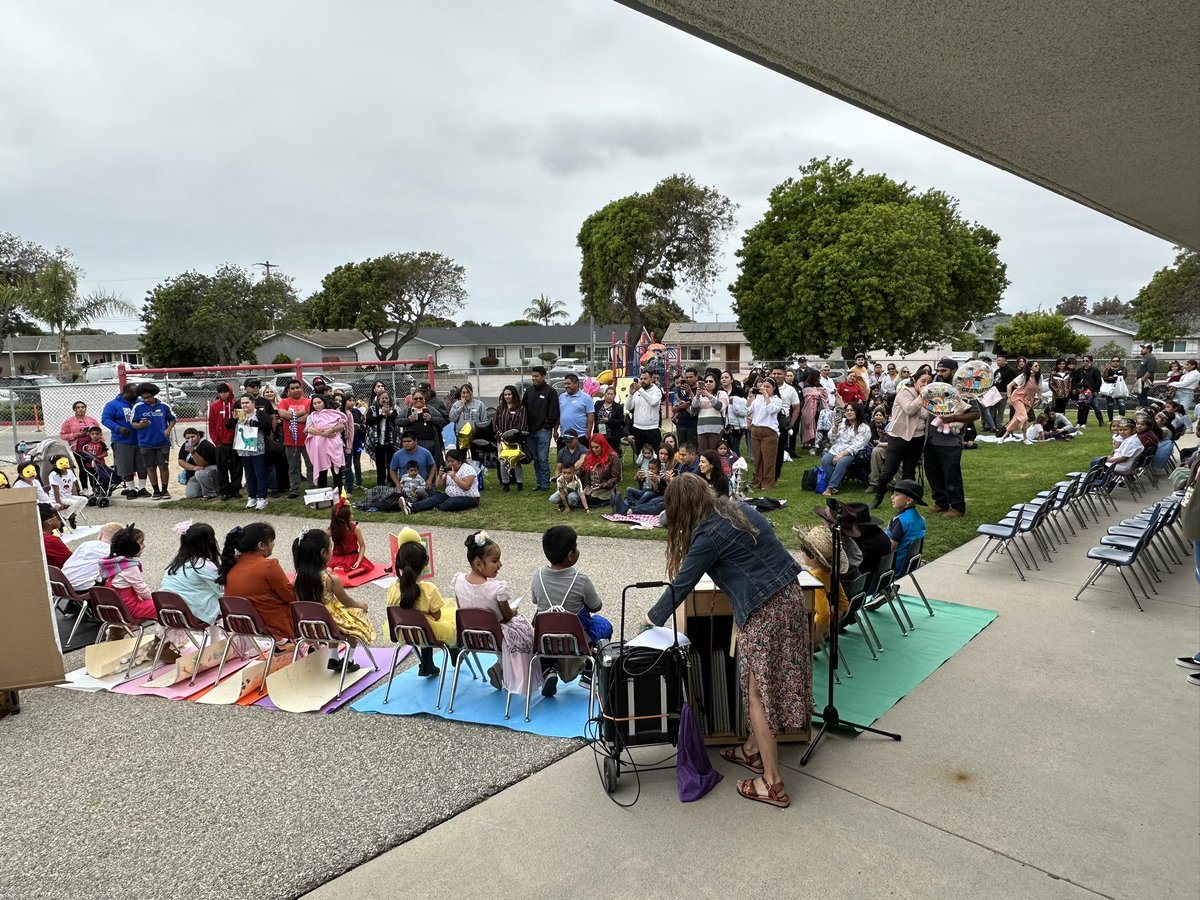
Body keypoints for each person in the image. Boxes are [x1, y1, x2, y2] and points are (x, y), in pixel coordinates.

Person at [644, 473, 806, 809]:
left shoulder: (708, 536)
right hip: (791, 598)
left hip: (765, 611)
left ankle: (772, 783)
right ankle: (752, 751)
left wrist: (652, 619)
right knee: (767, 685)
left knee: (757, 696)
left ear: (682, 508)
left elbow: (682, 583)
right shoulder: (739, 509)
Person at [451, 531, 537, 693]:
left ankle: (499, 667)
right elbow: (507, 616)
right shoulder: (497, 588)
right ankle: (511, 673)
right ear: (478, 564)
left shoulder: (458, 580)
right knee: (526, 632)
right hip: (495, 639)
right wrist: (514, 610)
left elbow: (462, 610)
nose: (500, 564)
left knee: (506, 630)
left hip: (470, 637)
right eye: (495, 561)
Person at [530, 525, 612, 694]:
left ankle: (549, 669)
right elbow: (596, 606)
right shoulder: (581, 580)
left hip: (546, 640)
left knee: (544, 621)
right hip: (576, 640)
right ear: (570, 555)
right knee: (604, 625)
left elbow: (535, 600)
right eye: (576, 547)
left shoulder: (537, 576)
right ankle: (589, 671)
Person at [293, 529, 375, 671]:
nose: (332, 550)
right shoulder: (331, 579)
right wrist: (361, 605)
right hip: (330, 625)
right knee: (356, 621)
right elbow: (347, 601)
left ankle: (333, 658)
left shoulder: (298, 580)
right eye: (331, 547)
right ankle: (348, 660)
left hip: (311, 626)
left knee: (336, 621)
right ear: (323, 553)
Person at [387, 534, 457, 676]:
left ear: (398, 563)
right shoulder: (428, 589)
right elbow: (437, 616)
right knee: (448, 625)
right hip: (426, 633)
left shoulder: (392, 588)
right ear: (425, 563)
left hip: (403, 632)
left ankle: (427, 664)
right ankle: (455, 653)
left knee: (424, 626)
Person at [217, 523, 296, 643]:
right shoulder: (268, 566)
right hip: (271, 625)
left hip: (242, 625)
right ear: (261, 545)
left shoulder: (231, 564)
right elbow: (291, 596)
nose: (273, 544)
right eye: (272, 541)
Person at [924, 358, 979, 518]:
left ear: (954, 371)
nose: (939, 373)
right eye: (938, 370)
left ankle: (957, 507)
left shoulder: (964, 391)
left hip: (951, 442)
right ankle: (941, 503)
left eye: (943, 371)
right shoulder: (934, 387)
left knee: (951, 475)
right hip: (931, 439)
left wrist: (953, 418)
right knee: (933, 474)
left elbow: (975, 414)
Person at [870, 367, 930, 510]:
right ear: (915, 380)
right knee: (889, 470)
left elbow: (927, 415)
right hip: (899, 437)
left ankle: (907, 500)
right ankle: (878, 497)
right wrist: (921, 397)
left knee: (909, 472)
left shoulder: (930, 397)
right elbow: (910, 409)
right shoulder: (905, 392)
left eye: (929, 382)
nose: (925, 385)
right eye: (923, 381)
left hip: (918, 438)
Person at [793, 525, 850, 650]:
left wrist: (818, 636)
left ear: (812, 556)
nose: (801, 553)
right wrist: (831, 625)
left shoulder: (814, 579)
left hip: (815, 628)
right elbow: (843, 603)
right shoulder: (830, 573)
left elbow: (823, 613)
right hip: (832, 622)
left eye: (803, 549)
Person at [161, 521, 223, 626]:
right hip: (190, 615)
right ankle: (221, 634)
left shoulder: (176, 564)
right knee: (223, 601)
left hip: (169, 612)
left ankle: (215, 635)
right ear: (208, 543)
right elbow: (221, 589)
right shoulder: (202, 564)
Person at [130, 382, 176, 500]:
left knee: (163, 466)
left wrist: (168, 429)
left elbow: (172, 419)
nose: (146, 399)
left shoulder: (164, 406)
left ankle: (165, 490)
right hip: (146, 442)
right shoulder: (138, 407)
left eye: (149, 397)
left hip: (162, 441)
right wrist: (140, 425)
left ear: (154, 395)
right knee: (150, 467)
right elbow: (133, 423)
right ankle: (156, 490)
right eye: (144, 397)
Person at [98, 524, 154, 619]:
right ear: (131, 546)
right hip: (129, 609)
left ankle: (119, 630)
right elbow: (142, 590)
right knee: (164, 606)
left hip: (114, 606)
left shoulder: (110, 562)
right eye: (141, 542)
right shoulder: (129, 567)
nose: (144, 546)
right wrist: (154, 600)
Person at [102, 383, 148, 499]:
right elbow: (105, 419)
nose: (137, 395)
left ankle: (142, 488)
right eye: (135, 393)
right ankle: (131, 488)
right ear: (126, 392)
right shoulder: (112, 404)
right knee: (126, 466)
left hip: (141, 440)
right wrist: (118, 428)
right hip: (122, 440)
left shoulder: (139, 403)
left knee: (143, 465)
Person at [820, 401, 871, 497]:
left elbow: (858, 445)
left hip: (853, 453)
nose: (849, 412)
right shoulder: (842, 422)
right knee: (825, 460)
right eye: (847, 410)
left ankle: (830, 487)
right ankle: (834, 486)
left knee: (842, 461)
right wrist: (835, 426)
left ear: (858, 412)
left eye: (852, 410)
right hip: (836, 449)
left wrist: (842, 454)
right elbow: (831, 438)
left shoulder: (864, 428)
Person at [408, 448, 480, 512]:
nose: (450, 463)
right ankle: (411, 507)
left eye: (453, 461)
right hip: (449, 495)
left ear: (459, 461)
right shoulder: (449, 469)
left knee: (448, 503)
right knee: (433, 494)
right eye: (448, 461)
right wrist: (440, 476)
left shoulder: (467, 469)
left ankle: (433, 504)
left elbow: (466, 486)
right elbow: (439, 486)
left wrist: (454, 477)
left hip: (469, 498)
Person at [523, 366, 560, 491]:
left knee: (543, 459)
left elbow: (554, 412)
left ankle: (545, 484)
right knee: (536, 459)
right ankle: (539, 483)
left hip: (544, 431)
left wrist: (547, 426)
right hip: (530, 431)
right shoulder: (529, 391)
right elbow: (523, 409)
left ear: (543, 376)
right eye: (533, 376)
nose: (534, 378)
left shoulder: (550, 391)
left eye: (537, 376)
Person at [61, 521, 123, 592]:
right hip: (83, 588)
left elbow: (68, 563)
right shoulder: (113, 554)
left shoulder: (85, 544)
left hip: (62, 584)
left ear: (100, 535)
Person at [747, 376, 785, 490]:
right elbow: (747, 410)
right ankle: (757, 480)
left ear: (774, 388)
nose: (765, 389)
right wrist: (750, 398)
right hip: (756, 430)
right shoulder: (758, 398)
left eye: (768, 387)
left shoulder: (777, 400)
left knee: (768, 459)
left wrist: (766, 396)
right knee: (757, 458)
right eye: (763, 386)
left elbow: (771, 410)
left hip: (769, 432)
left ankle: (768, 482)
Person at [277, 379, 312, 499]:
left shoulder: (308, 401)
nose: (296, 390)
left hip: (308, 440)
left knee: (311, 465)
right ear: (288, 391)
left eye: (298, 387)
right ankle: (294, 490)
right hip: (290, 442)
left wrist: (292, 418)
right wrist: (302, 413)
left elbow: (310, 417)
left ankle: (313, 487)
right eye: (293, 388)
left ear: (301, 389)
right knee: (293, 468)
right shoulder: (284, 402)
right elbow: (283, 414)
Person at [233, 394, 269, 511]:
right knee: (249, 473)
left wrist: (251, 423)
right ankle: (252, 496)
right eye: (243, 403)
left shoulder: (259, 413)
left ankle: (262, 497)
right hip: (244, 449)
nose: (245, 405)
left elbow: (266, 425)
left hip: (258, 448)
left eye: (247, 402)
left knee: (260, 473)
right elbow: (229, 426)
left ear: (253, 403)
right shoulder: (240, 414)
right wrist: (233, 419)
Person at [207, 383, 242, 501]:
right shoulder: (214, 406)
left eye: (225, 391)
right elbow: (211, 424)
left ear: (230, 391)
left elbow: (242, 421)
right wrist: (216, 442)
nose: (223, 394)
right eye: (220, 392)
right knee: (222, 468)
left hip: (235, 442)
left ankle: (235, 489)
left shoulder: (236, 405)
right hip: (221, 443)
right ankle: (224, 491)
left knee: (236, 467)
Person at [304, 393, 346, 489]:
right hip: (320, 448)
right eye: (315, 403)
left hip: (333, 446)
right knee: (322, 471)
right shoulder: (311, 416)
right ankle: (323, 493)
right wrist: (325, 433)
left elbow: (341, 425)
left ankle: (339, 491)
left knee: (336, 469)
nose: (317, 405)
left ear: (324, 403)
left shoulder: (333, 413)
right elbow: (309, 429)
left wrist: (331, 429)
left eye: (319, 402)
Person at [885, 479, 927, 576]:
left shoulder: (900, 521)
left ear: (909, 500)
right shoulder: (920, 519)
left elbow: (890, 547)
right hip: (910, 563)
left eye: (896, 494)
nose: (892, 497)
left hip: (895, 566)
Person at [493, 385, 528, 490]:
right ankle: (505, 484)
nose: (507, 396)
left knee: (515, 462)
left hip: (514, 441)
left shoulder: (521, 408)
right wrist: (500, 434)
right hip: (501, 440)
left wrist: (512, 436)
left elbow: (522, 425)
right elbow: (495, 423)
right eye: (505, 395)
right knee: (503, 462)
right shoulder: (500, 408)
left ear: (514, 395)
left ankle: (519, 483)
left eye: (509, 394)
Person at [60, 400, 101, 491]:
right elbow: (63, 435)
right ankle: (85, 489)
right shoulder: (68, 422)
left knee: (93, 468)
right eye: (78, 407)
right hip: (78, 449)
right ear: (74, 410)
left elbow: (99, 432)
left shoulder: (91, 420)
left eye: (82, 407)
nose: (81, 409)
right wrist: (77, 434)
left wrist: (101, 443)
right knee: (83, 468)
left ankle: (96, 488)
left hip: (92, 448)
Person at [365, 391, 401, 489]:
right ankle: (381, 484)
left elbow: (397, 421)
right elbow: (369, 421)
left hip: (391, 441)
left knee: (391, 463)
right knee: (380, 464)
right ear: (378, 399)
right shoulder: (372, 409)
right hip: (377, 441)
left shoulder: (394, 409)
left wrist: (389, 414)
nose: (385, 400)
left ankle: (392, 482)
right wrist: (381, 415)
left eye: (386, 398)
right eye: (382, 398)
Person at [578, 433, 622, 511]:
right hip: (590, 489)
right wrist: (572, 474)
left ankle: (609, 499)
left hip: (606, 489)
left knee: (590, 500)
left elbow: (616, 478)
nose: (594, 450)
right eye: (592, 447)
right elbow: (582, 470)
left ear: (603, 445)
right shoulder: (589, 456)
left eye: (596, 447)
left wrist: (602, 485)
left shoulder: (613, 457)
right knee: (579, 499)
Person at [328, 501, 373, 577]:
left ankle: (335, 579)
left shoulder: (355, 529)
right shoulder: (333, 529)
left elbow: (362, 546)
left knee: (337, 570)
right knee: (328, 569)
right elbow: (323, 537)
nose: (352, 516)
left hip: (351, 557)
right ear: (344, 518)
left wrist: (358, 561)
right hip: (336, 557)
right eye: (350, 514)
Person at [625, 370, 663, 454]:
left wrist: (640, 390)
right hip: (637, 428)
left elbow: (652, 402)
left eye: (645, 379)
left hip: (652, 428)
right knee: (640, 454)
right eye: (641, 379)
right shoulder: (637, 391)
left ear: (651, 379)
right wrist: (630, 394)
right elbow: (628, 407)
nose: (642, 381)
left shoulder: (656, 391)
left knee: (654, 455)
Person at [1002, 360, 1042, 441]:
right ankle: (1025, 438)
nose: (1038, 367)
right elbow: (1009, 386)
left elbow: (1039, 388)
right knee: (1024, 417)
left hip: (1029, 400)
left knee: (1017, 418)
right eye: (1036, 366)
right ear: (1030, 367)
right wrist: (1009, 398)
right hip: (1018, 398)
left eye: (1038, 365)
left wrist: (1039, 398)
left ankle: (1004, 436)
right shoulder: (1024, 376)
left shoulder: (1039, 377)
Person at [177, 427, 219, 500]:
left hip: (211, 471)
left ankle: (210, 494)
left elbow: (202, 464)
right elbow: (181, 461)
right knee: (191, 495)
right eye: (188, 438)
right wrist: (193, 467)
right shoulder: (186, 445)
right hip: (195, 473)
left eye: (193, 437)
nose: (190, 440)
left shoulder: (206, 445)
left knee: (200, 473)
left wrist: (193, 452)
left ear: (198, 436)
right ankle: (212, 489)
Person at [691, 372, 728, 454]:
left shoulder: (721, 393)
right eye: (706, 381)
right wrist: (697, 396)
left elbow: (720, 407)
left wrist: (708, 395)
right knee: (703, 454)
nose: (708, 383)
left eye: (711, 381)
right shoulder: (701, 396)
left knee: (714, 453)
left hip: (716, 429)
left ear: (716, 383)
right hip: (702, 429)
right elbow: (693, 409)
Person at [48, 455, 88, 527]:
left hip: (68, 495)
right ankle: (63, 519)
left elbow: (73, 484)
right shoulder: (53, 474)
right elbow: (56, 489)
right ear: (55, 465)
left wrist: (75, 496)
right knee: (75, 503)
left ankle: (72, 516)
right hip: (59, 497)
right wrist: (59, 502)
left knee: (84, 500)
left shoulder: (69, 472)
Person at [799, 369, 827, 452]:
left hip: (819, 409)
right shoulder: (807, 387)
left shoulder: (820, 387)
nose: (820, 378)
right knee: (809, 425)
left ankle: (819, 443)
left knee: (819, 425)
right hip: (809, 410)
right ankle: (810, 443)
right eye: (818, 377)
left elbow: (825, 397)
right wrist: (819, 392)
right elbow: (807, 396)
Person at [593, 384, 625, 453]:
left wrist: (609, 420)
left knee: (612, 454)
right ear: (605, 394)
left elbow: (621, 421)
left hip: (612, 436)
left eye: (612, 394)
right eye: (608, 394)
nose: (609, 396)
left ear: (614, 396)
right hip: (599, 433)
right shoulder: (598, 404)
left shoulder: (618, 407)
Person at [1073, 355, 1104, 426]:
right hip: (1082, 393)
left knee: (1096, 406)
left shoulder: (1095, 370)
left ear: (1091, 362)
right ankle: (1080, 422)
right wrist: (1075, 388)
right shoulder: (1079, 370)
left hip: (1091, 392)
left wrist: (1096, 391)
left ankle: (1101, 421)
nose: (1085, 362)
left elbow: (1098, 381)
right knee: (1081, 407)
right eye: (1083, 361)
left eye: (1087, 361)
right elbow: (1075, 380)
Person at [39, 504, 73, 569]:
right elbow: (71, 559)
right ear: (49, 521)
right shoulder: (51, 541)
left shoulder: (35, 537)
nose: (60, 519)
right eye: (57, 516)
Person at [989, 354, 1016, 428]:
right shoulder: (997, 371)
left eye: (999, 360)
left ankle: (999, 425)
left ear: (1005, 361)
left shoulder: (1010, 371)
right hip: (994, 392)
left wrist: (1010, 393)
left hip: (1003, 393)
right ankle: (991, 425)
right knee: (992, 409)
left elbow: (1014, 382)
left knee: (1000, 410)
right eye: (997, 360)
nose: (997, 362)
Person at [1100, 356, 1129, 420]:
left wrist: (1111, 378)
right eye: (1113, 361)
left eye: (1117, 361)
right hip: (1109, 390)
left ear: (1119, 362)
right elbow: (1105, 378)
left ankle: (1121, 420)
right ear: (1111, 362)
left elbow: (1123, 377)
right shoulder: (1107, 369)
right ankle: (1110, 420)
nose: (1115, 362)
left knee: (1122, 405)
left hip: (1120, 390)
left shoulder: (1123, 368)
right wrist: (1116, 377)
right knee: (1110, 405)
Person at [1172, 359, 1198, 424]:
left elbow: (1184, 383)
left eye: (1187, 364)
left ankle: (1189, 427)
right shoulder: (1186, 373)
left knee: (1183, 411)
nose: (1185, 366)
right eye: (1185, 364)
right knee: (1175, 410)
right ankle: (1177, 426)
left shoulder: (1196, 373)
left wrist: (1171, 383)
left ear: (1193, 366)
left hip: (1187, 393)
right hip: (1179, 392)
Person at [1135, 342, 1158, 407]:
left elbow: (1150, 370)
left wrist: (1143, 379)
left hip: (1145, 382)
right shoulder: (1144, 358)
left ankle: (1145, 409)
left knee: (1143, 397)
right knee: (1140, 396)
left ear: (1148, 349)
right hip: (1140, 382)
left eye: (1143, 348)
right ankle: (1142, 408)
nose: (1141, 350)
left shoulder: (1151, 358)